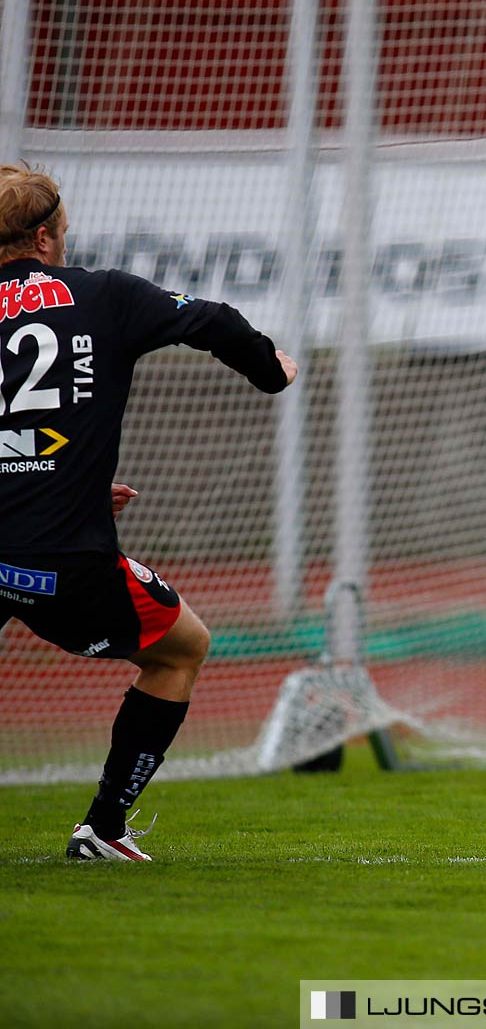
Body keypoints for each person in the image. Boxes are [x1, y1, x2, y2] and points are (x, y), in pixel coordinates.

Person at [0, 164, 295, 861]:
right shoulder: (102, 294)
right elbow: (213, 320)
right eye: (63, 232)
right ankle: (103, 828)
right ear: (44, 237)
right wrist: (270, 369)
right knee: (182, 649)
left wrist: (59, 484)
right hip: (60, 561)